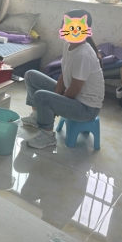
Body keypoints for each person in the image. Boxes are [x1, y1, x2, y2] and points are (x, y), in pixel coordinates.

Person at [22, 9, 104, 149]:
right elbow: (63, 75)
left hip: (86, 108)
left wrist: (55, 106)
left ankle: (48, 135)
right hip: (75, 97)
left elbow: (74, 89)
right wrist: (55, 98)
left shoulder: (83, 54)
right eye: (63, 23)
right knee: (31, 75)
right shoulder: (68, 45)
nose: (61, 27)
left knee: (42, 96)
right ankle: (36, 116)